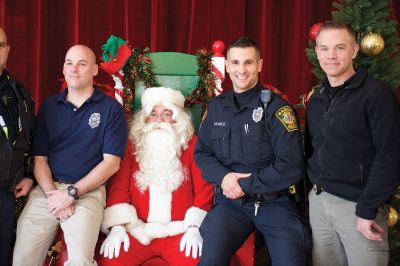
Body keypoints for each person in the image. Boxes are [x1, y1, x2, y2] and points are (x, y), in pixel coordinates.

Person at [194, 36, 310, 265]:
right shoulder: (216, 108)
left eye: (248, 62)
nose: (241, 70)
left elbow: (291, 165)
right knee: (210, 259)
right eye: (235, 63)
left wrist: (242, 185)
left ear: (259, 65)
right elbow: (202, 153)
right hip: (232, 206)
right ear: (227, 66)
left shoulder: (278, 109)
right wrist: (224, 177)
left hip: (275, 203)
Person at [12, 45, 128, 266]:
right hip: (47, 191)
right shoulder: (49, 107)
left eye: (82, 64)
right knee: (22, 259)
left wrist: (72, 194)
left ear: (94, 70)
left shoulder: (110, 109)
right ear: (64, 69)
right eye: (69, 63)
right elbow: (40, 160)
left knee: (80, 262)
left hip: (88, 193)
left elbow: (111, 164)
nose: (74, 69)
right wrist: (53, 195)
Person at [305, 21, 400, 266]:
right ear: (317, 53)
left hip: (359, 207)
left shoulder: (377, 96)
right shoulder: (317, 98)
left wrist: (367, 209)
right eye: (324, 48)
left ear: (354, 50)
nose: (331, 56)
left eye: (339, 48)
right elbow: (313, 149)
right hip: (319, 202)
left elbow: (390, 155)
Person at [98, 86, 214, 265]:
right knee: (111, 260)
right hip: (138, 231)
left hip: (180, 231)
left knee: (199, 261)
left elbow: (204, 188)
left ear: (177, 119)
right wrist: (118, 227)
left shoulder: (192, 144)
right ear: (144, 119)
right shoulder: (131, 145)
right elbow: (118, 187)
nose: (159, 120)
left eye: (167, 114)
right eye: (153, 114)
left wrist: (195, 227)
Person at [0, 27, 35, 265]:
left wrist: (31, 175)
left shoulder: (20, 93)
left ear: (8, 50)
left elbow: (31, 138)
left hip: (6, 194)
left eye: (0, 45)